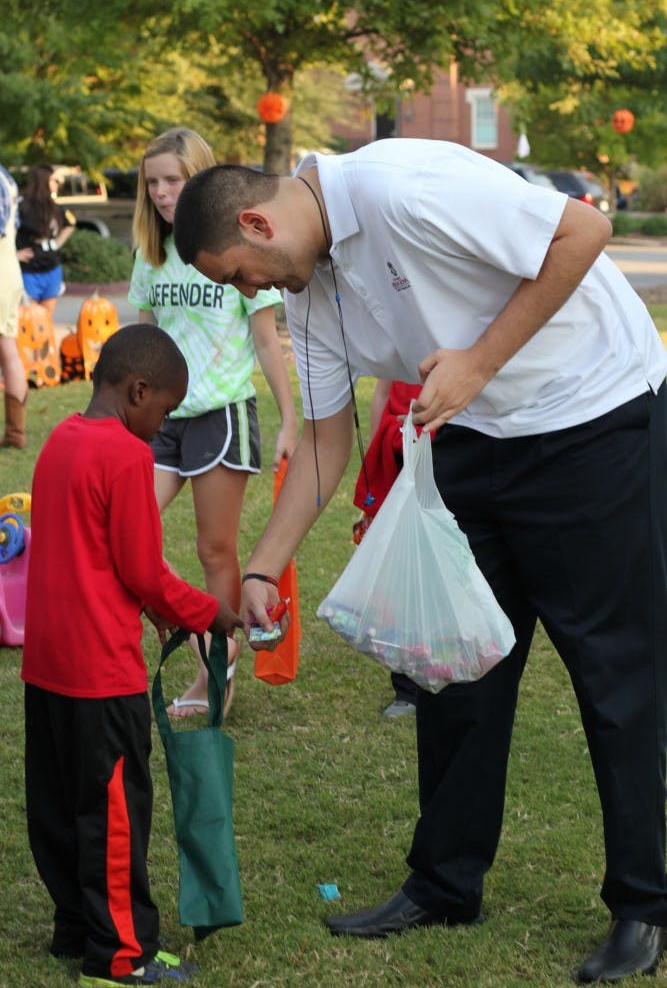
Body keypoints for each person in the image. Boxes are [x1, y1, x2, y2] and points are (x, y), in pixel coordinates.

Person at [172, 139, 667, 984]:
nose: (251, 292)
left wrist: (478, 361)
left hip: (593, 421)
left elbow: (582, 231)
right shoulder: (311, 282)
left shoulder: (401, 187)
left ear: (258, 221)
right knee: (453, 667)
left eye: (242, 274)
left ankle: (642, 905)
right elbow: (327, 445)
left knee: (613, 676)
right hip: (471, 438)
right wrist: (261, 569)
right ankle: (444, 882)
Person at [21, 324, 243, 986]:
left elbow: (94, 555)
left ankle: (75, 928)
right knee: (114, 816)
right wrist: (213, 614)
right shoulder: (125, 456)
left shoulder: (59, 439)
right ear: (137, 389)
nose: (162, 425)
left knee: (59, 809)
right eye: (165, 411)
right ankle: (123, 952)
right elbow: (145, 574)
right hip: (100, 680)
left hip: (47, 673)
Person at [129, 127, 297, 718]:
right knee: (128, 526)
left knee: (214, 549)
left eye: (172, 180)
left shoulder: (232, 246)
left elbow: (268, 342)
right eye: (152, 183)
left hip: (222, 413)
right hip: (164, 421)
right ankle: (198, 639)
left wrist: (289, 421)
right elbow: (144, 343)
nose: (161, 193)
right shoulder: (149, 255)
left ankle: (214, 673)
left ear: (196, 178)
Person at [352, 378, 422, 718]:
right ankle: (407, 686)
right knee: (400, 570)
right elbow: (382, 389)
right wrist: (376, 463)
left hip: (443, 442)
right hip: (397, 449)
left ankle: (447, 665)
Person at [15, 163, 76, 316]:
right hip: (29, 270)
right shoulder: (22, 206)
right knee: (30, 318)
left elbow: (70, 224)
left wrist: (56, 243)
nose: (58, 184)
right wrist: (14, 255)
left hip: (51, 267)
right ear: (43, 180)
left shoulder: (54, 206)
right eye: (54, 180)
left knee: (46, 319)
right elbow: (7, 233)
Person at [0, 164, 28, 448]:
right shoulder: (6, 177)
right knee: (8, 348)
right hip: (9, 271)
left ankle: (15, 432)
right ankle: (15, 432)